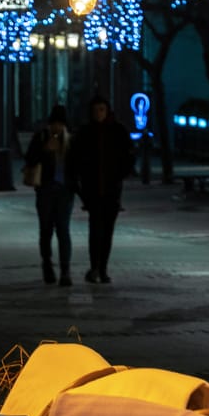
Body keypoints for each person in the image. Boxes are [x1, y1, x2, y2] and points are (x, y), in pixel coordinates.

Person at [66, 96, 134, 284]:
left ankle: (102, 268)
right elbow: (75, 159)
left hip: (112, 189)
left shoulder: (117, 131)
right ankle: (95, 267)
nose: (99, 114)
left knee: (107, 231)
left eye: (102, 110)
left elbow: (128, 156)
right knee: (96, 230)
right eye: (96, 110)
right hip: (93, 190)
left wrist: (120, 174)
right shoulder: (85, 132)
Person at [26, 106, 75, 286]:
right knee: (46, 230)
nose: (57, 128)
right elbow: (29, 159)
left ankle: (65, 270)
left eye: (60, 124)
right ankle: (47, 263)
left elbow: (76, 165)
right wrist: (45, 150)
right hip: (45, 190)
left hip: (64, 191)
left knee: (63, 230)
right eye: (54, 124)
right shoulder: (41, 138)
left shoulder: (70, 140)